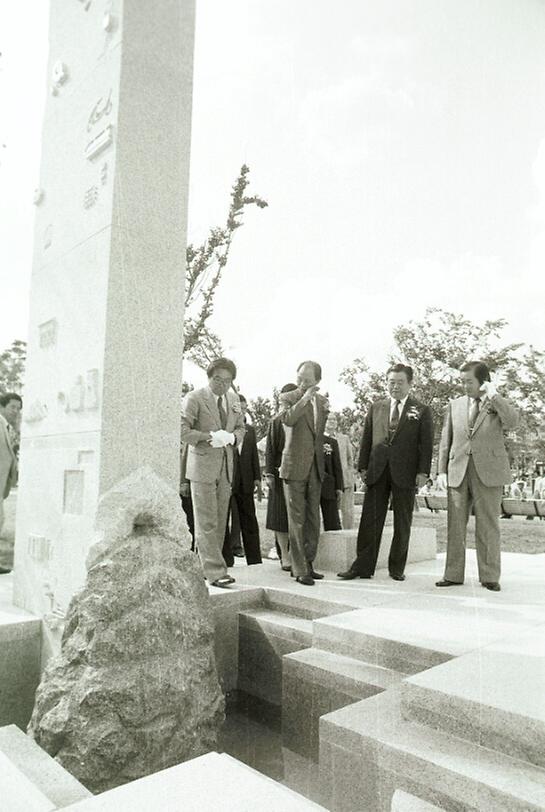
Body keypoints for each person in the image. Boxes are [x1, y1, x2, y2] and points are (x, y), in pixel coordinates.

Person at [338, 364, 434, 582]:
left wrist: (423, 472)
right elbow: (366, 439)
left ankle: (396, 568)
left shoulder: (421, 410)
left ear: (410, 384)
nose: (395, 386)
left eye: (400, 382)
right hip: (377, 470)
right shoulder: (377, 407)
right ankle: (362, 566)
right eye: (391, 382)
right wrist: (363, 466)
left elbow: (425, 445)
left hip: (406, 473)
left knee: (402, 521)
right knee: (370, 521)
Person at [436, 361, 519, 592]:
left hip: (489, 472)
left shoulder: (495, 402)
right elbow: (446, 439)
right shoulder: (455, 405)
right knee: (455, 525)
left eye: (469, 382)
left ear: (483, 381)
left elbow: (513, 422)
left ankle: (490, 576)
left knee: (488, 525)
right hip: (458, 471)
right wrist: (441, 470)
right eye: (461, 382)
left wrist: (495, 396)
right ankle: (452, 574)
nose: (464, 386)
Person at [180, 358, 245, 588]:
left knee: (218, 521)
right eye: (218, 379)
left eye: (227, 381)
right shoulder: (194, 398)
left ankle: (206, 568)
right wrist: (209, 437)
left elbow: (241, 427)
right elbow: (183, 432)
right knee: (206, 521)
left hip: (225, 467)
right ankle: (216, 572)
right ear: (209, 377)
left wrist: (233, 437)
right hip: (202, 466)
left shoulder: (234, 399)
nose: (222, 384)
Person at [279, 361, 328, 586]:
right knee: (296, 520)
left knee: (312, 519)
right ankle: (299, 570)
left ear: (317, 381)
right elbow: (287, 419)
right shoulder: (289, 397)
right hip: (294, 467)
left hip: (315, 468)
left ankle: (309, 563)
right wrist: (304, 397)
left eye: (307, 380)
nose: (302, 383)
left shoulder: (323, 402)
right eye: (299, 378)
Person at [222, 395, 263, 567]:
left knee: (249, 519)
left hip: (245, 482)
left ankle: (254, 560)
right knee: (224, 519)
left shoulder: (250, 430)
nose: (243, 411)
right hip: (227, 480)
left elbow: (253, 455)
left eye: (245, 408)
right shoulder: (225, 428)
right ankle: (226, 558)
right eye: (240, 408)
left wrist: (257, 478)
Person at [265, 383, 298, 571]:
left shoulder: (303, 418)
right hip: (279, 474)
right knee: (279, 516)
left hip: (299, 474)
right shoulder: (276, 422)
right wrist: (269, 473)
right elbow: (270, 449)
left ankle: (296, 554)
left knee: (297, 516)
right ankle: (284, 555)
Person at [0, 393, 22, 574]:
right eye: (13, 407)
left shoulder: (7, 427)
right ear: (2, 406)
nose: (16, 411)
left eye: (18, 408)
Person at [325, 414, 355, 529]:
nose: (332, 421)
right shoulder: (319, 438)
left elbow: (349, 459)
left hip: (345, 481)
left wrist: (349, 476)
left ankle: (349, 534)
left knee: (347, 511)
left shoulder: (344, 438)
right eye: (329, 419)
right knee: (330, 514)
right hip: (328, 482)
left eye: (334, 419)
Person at [320, 431, 344, 530]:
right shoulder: (303, 439)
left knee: (333, 522)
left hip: (328, 486)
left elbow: (337, 466)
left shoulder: (331, 442)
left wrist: (339, 487)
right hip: (308, 486)